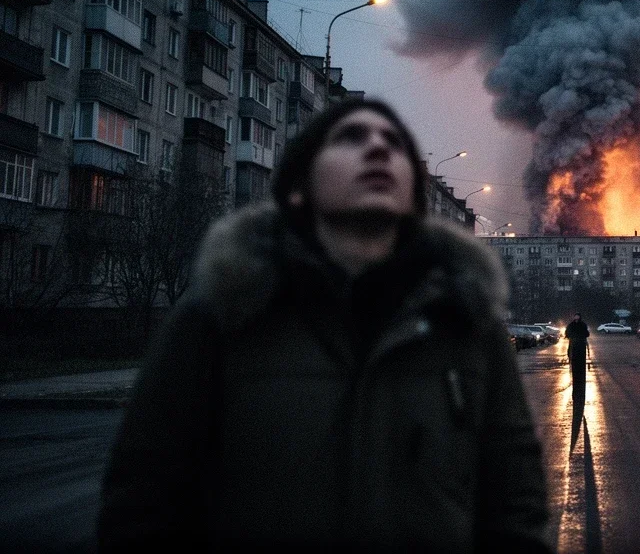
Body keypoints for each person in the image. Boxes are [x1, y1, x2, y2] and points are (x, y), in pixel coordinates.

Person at [98, 97, 550, 552]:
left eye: (394, 142)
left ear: (415, 197)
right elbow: (143, 497)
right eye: (351, 137)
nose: (377, 147)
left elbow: (514, 502)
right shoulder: (224, 311)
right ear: (299, 187)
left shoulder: (466, 322)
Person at [564, 313, 589, 379]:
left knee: (580, 357)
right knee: (570, 353)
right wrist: (569, 336)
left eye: (578, 317)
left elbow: (586, 333)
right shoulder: (571, 325)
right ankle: (572, 364)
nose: (576, 318)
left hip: (580, 344)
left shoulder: (583, 325)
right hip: (573, 343)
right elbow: (567, 332)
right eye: (576, 316)